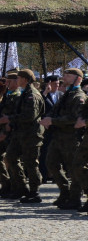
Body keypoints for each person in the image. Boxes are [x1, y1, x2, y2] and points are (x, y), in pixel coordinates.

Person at [41, 67, 86, 210]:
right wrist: (48, 119)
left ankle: (74, 198)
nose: (64, 77)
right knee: (51, 163)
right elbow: (55, 111)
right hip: (58, 136)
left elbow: (74, 118)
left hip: (71, 137)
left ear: (78, 79)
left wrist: (53, 121)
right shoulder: (65, 94)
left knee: (74, 168)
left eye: (68, 75)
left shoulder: (78, 96)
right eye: (64, 74)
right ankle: (65, 191)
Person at [4, 68, 45, 203]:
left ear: (25, 80)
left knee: (31, 162)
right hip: (21, 133)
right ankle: (21, 186)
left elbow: (29, 116)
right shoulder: (25, 93)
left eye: (19, 78)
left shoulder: (31, 95)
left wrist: (10, 118)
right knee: (10, 157)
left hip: (31, 134)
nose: (17, 80)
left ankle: (34, 191)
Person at [0, 72, 22, 199]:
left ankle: (17, 186)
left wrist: (6, 130)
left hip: (10, 133)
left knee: (11, 160)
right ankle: (5, 183)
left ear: (16, 82)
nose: (6, 83)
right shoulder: (7, 95)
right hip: (0, 131)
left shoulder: (18, 96)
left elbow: (17, 116)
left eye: (9, 81)